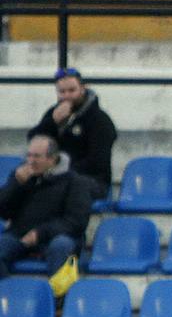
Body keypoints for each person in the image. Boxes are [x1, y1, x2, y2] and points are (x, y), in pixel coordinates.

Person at [0, 134, 94, 280]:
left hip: (57, 237)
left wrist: (40, 233)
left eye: (37, 156)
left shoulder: (75, 182)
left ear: (52, 159)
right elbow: (4, 211)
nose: (30, 161)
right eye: (29, 155)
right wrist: (15, 185)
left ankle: (58, 301)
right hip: (21, 235)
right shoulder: (22, 177)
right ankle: (8, 296)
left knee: (60, 246)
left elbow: (76, 221)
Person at [27, 68, 117, 199]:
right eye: (62, 92)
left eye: (72, 90)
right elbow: (33, 141)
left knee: (60, 190)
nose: (67, 96)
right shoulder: (53, 113)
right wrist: (52, 122)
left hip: (92, 181)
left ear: (83, 89)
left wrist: (59, 172)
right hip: (54, 176)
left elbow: (97, 162)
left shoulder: (99, 119)